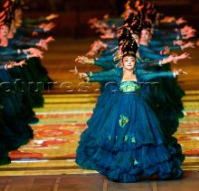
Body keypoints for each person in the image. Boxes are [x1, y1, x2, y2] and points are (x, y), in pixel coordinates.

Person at [75, 39, 185, 183]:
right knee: (122, 134)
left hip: (140, 110)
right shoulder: (117, 73)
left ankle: (139, 162)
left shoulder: (140, 74)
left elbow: (155, 75)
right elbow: (101, 76)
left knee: (140, 134)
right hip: (121, 109)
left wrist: (173, 74)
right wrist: (86, 76)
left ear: (134, 62)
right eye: (126, 60)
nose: (129, 62)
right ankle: (125, 161)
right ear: (122, 62)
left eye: (132, 60)